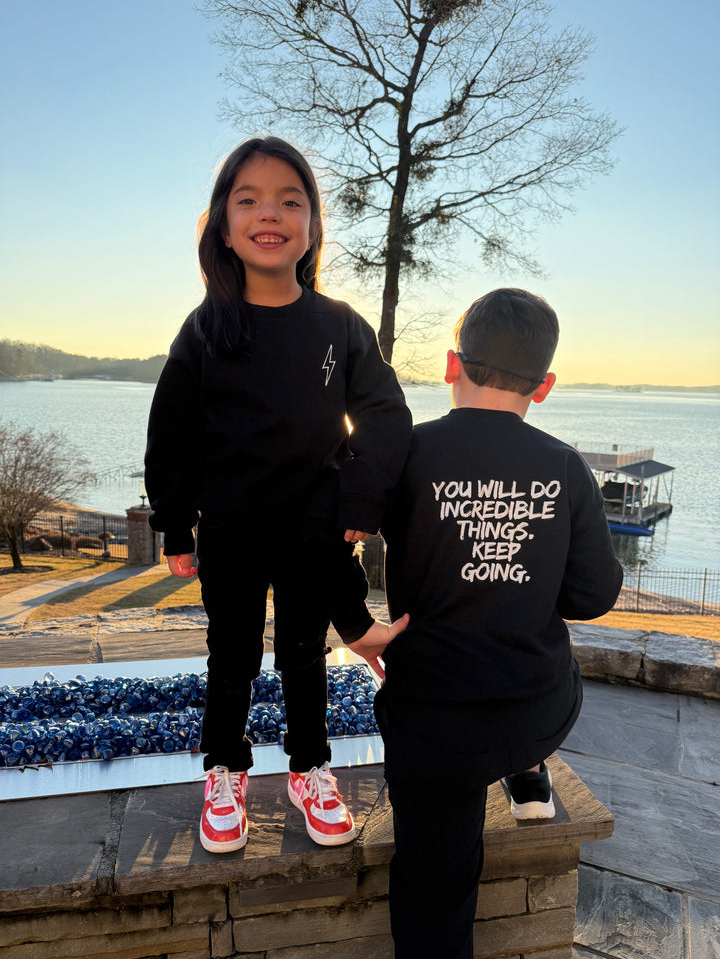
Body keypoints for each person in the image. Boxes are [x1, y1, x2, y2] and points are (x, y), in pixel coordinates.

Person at [144, 136, 412, 854]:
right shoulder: (205, 329)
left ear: (314, 226)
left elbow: (385, 416)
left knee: (303, 653)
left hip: (314, 530)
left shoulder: (339, 326)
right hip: (231, 529)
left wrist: (362, 501)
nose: (270, 214)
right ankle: (225, 769)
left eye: (290, 201)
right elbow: (172, 432)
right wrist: (176, 524)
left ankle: (308, 768)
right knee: (230, 654)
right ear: (224, 226)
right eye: (250, 201)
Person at [351, 288, 623, 958]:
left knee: (434, 889)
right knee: (537, 660)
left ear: (452, 364)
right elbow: (592, 596)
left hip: (432, 721)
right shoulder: (566, 466)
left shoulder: (407, 452)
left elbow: (326, 535)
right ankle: (525, 769)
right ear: (545, 386)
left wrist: (354, 625)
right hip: (535, 710)